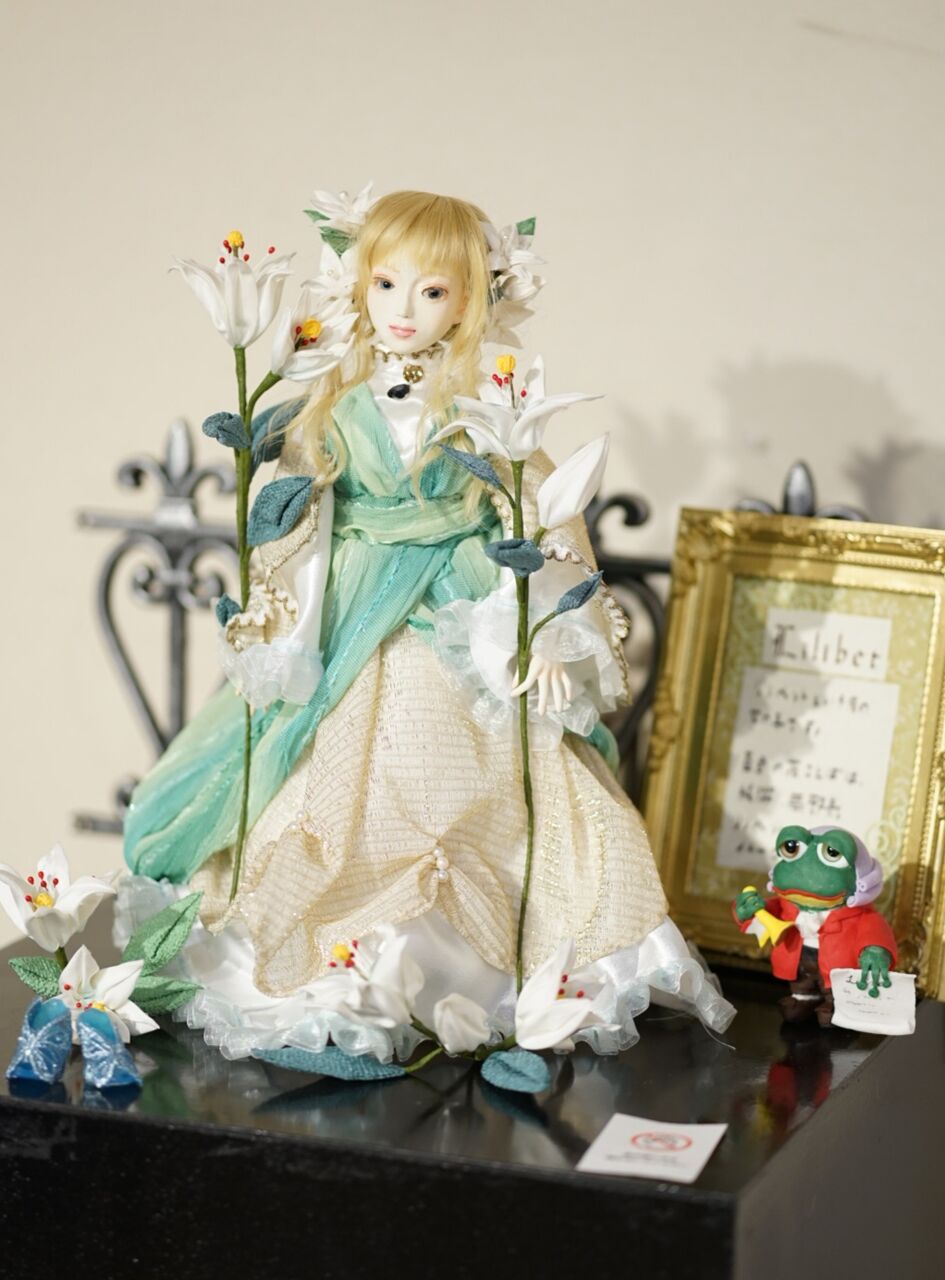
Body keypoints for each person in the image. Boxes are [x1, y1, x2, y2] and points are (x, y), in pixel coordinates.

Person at [122, 189, 734, 1063]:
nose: (403, 309)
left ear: (470, 299)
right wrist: (288, 633)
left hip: (458, 608)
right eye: (386, 284)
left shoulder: (483, 407)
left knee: (467, 771)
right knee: (316, 772)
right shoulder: (333, 405)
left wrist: (540, 631)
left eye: (432, 290)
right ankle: (339, 968)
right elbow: (305, 525)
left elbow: (536, 520)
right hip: (349, 613)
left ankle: (474, 976)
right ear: (359, 286)